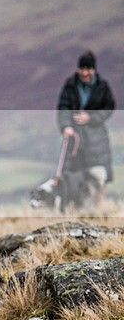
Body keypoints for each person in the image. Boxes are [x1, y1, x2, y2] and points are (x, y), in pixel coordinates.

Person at [57, 50, 115, 207]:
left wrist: (90, 118)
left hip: (97, 140)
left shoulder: (102, 87)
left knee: (99, 177)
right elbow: (63, 107)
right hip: (76, 139)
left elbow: (109, 108)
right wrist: (65, 126)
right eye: (81, 69)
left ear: (93, 70)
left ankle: (97, 208)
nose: (84, 73)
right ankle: (77, 209)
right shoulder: (70, 86)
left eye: (88, 69)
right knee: (75, 176)